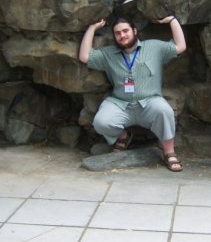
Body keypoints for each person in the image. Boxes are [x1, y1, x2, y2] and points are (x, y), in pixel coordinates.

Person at [78, 15, 186, 172]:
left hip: (149, 102)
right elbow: (84, 56)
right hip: (120, 103)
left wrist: (172, 20)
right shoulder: (109, 54)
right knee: (101, 122)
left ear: (134, 31)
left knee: (164, 111)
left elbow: (180, 46)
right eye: (118, 33)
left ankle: (169, 152)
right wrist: (92, 28)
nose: (122, 35)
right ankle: (123, 137)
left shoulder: (154, 47)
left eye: (125, 31)